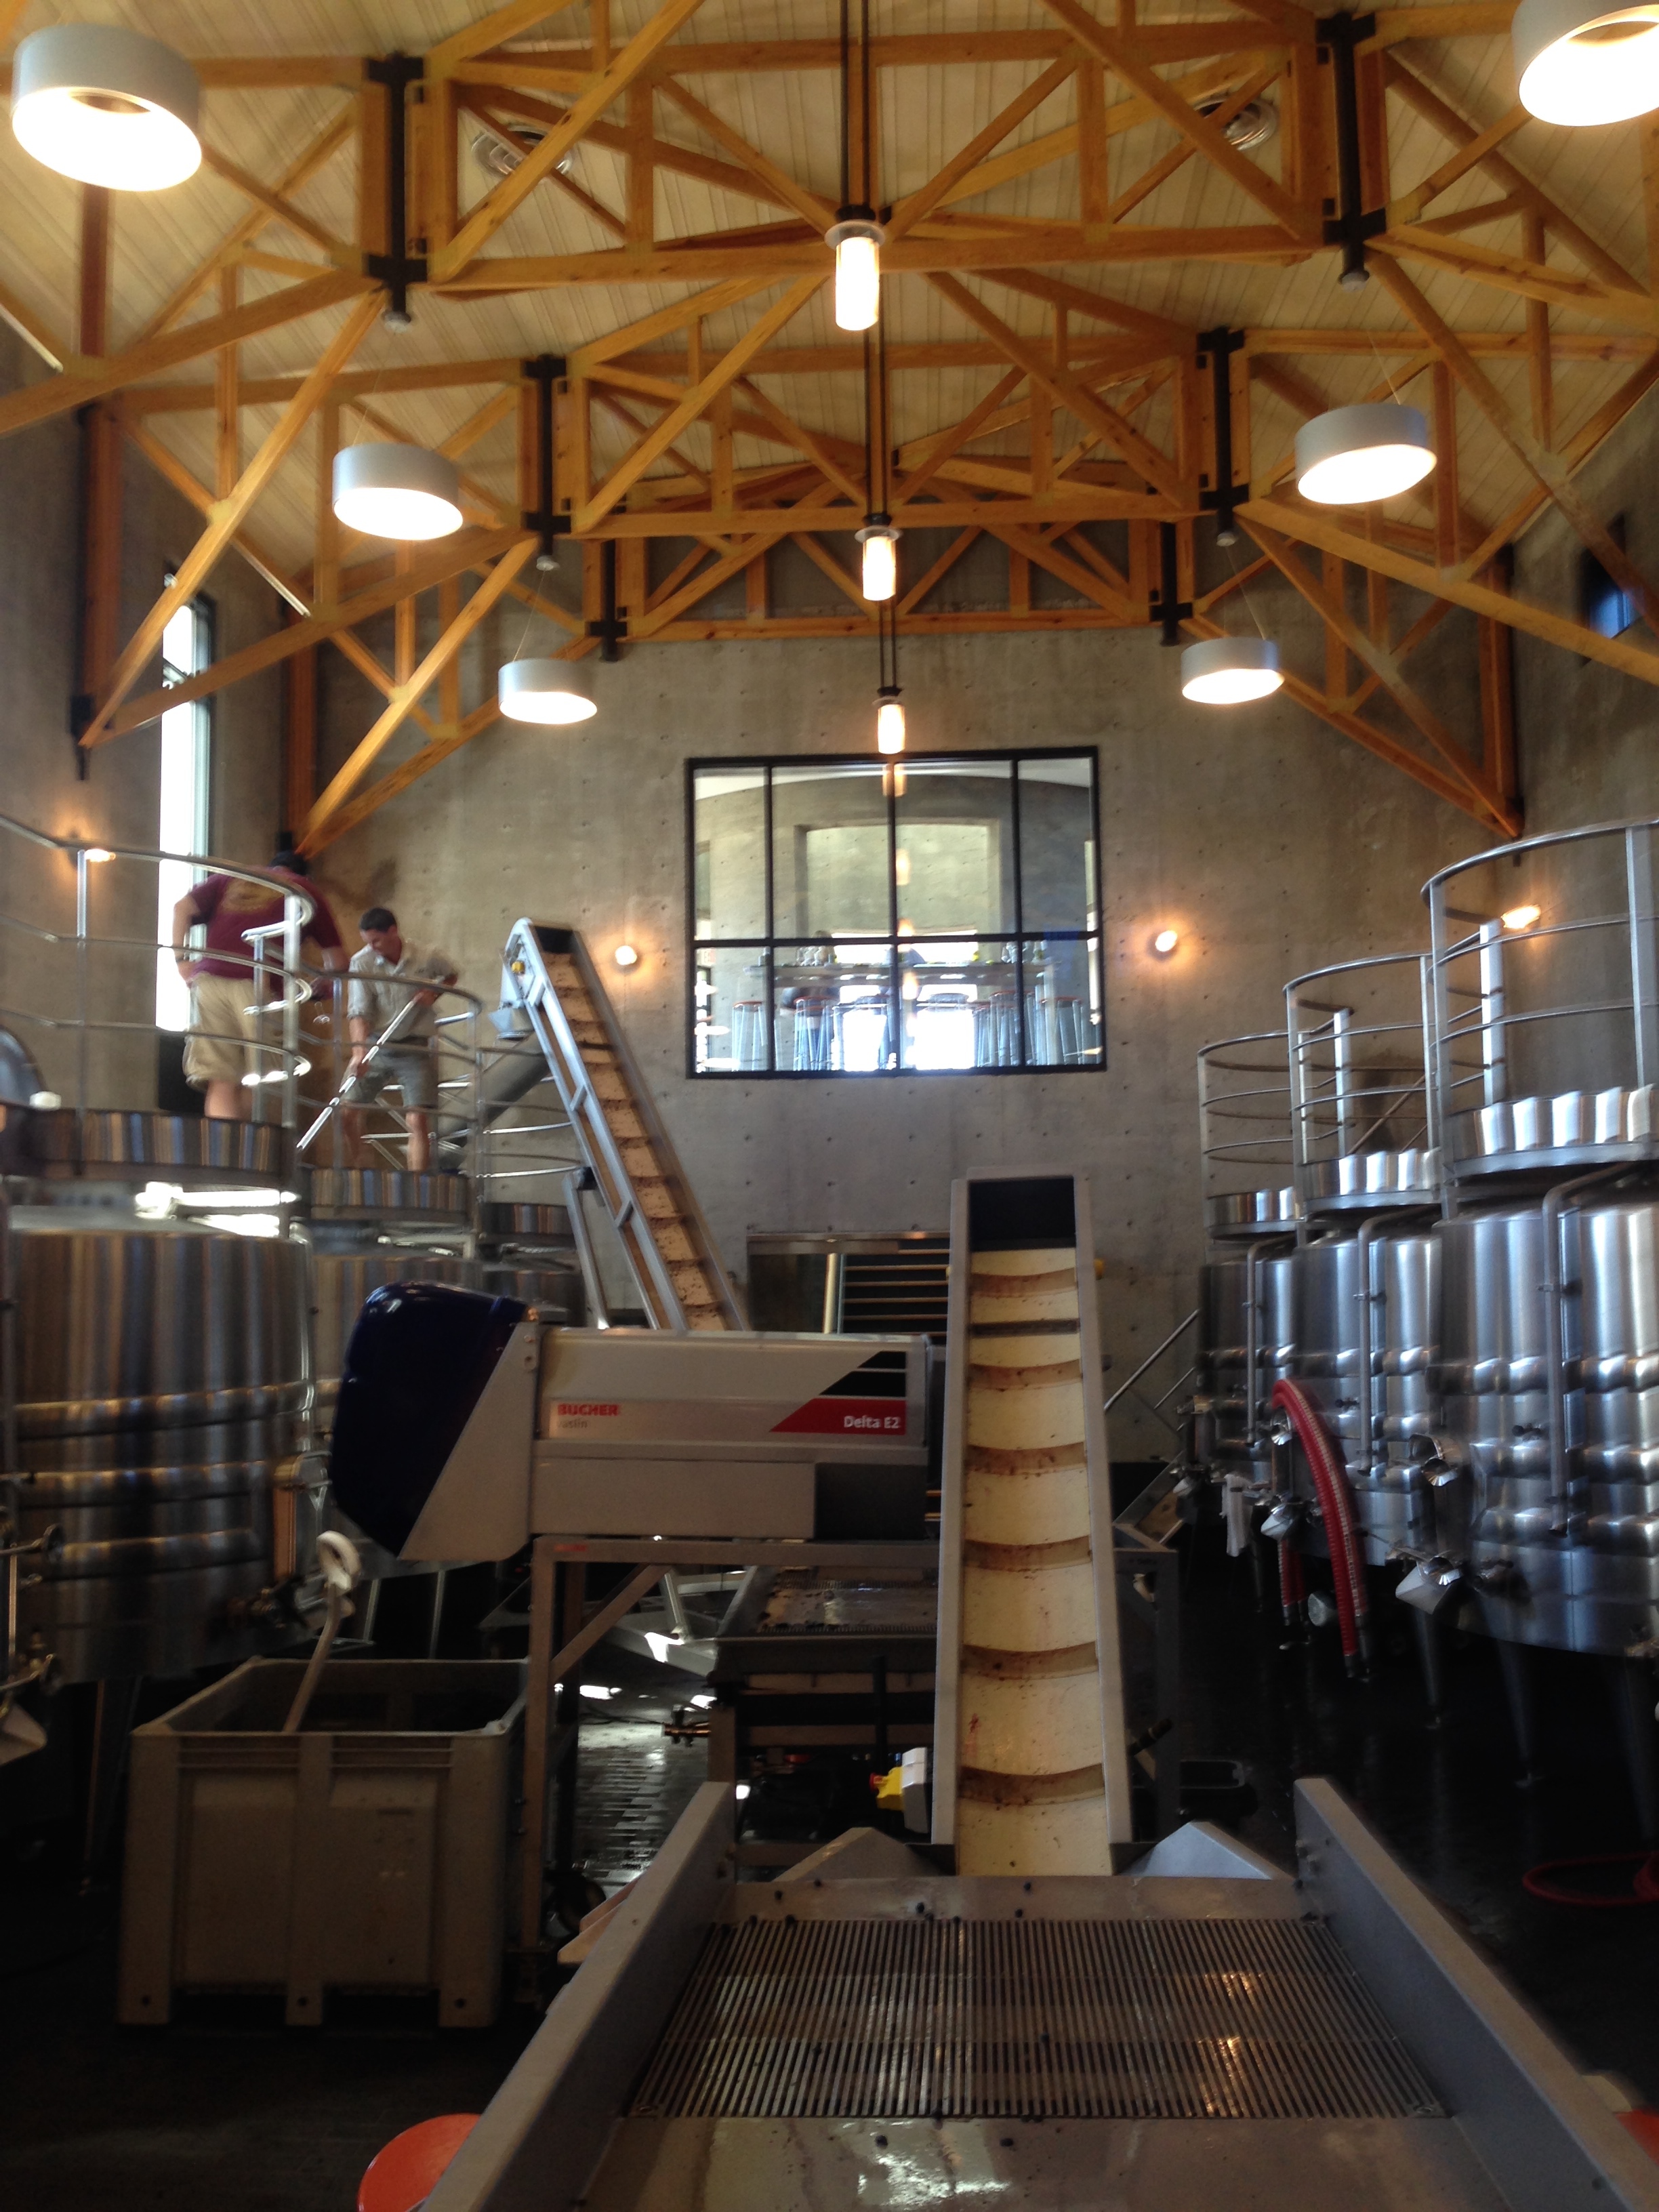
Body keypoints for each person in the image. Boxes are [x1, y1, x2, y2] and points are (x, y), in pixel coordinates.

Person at [172, 848, 345, 1121]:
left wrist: (182, 961)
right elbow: (338, 961)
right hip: (259, 984)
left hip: (209, 982)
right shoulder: (304, 889)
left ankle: (225, 1145)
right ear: (304, 874)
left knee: (221, 1080)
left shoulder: (231, 878)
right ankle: (248, 1144)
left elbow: (181, 908)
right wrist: (318, 985)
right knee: (260, 1078)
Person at [342, 908, 459, 1173]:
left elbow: (452, 974)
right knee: (346, 1112)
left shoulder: (426, 955)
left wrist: (434, 993)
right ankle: (362, 1164)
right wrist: (359, 1053)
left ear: (393, 932)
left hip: (414, 1046)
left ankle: (416, 1184)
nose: (372, 947)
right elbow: (359, 1012)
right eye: (367, 942)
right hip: (377, 1044)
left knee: (418, 1119)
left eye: (376, 941)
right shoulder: (362, 962)